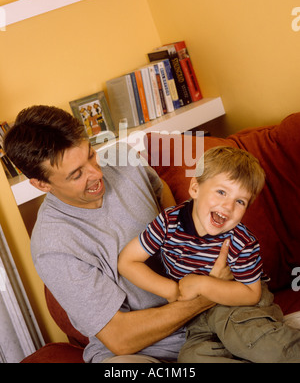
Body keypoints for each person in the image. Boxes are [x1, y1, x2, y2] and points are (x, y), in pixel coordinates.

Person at [4, 105, 231, 364]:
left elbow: (160, 188)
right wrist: (207, 295)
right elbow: (121, 338)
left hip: (209, 321)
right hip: (139, 351)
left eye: (90, 155)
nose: (96, 174)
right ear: (41, 184)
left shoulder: (124, 158)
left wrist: (187, 243)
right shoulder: (52, 245)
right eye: (77, 174)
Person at [118, 146, 300, 363]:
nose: (228, 206)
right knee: (192, 358)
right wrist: (171, 290)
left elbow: (251, 293)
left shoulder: (240, 240)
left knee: (253, 342)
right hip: (196, 318)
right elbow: (127, 261)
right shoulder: (168, 222)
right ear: (195, 188)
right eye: (221, 192)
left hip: (238, 306)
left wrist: (202, 285)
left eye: (240, 201)